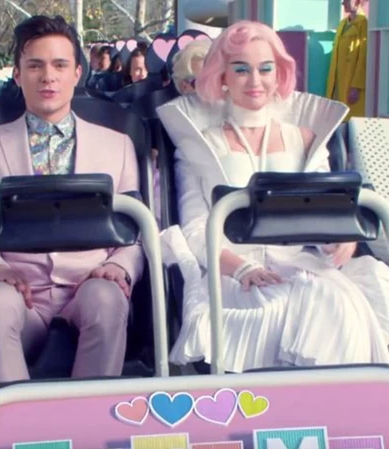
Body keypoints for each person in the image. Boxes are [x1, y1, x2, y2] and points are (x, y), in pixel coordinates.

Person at [158, 20, 389, 373]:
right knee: (308, 302)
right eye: (241, 69)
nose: (255, 80)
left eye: (265, 69)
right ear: (222, 76)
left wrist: (343, 239)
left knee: (337, 301)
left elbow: (328, 210)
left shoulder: (305, 138)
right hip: (230, 273)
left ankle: (334, 405)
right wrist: (241, 268)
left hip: (304, 268)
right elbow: (195, 226)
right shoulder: (198, 144)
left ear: (278, 73)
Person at [0, 15, 143, 389]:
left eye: (60, 65)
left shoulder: (118, 146)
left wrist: (119, 266)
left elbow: (136, 233)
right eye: (35, 66)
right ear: (17, 75)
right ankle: (12, 422)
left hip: (89, 283)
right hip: (18, 289)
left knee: (107, 298)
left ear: (77, 73)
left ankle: (88, 420)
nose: (48, 77)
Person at [326, 0, 368, 120]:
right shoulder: (342, 24)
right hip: (337, 82)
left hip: (350, 82)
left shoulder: (364, 23)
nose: (343, 3)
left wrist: (356, 86)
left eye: (346, 0)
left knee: (350, 118)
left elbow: (363, 56)